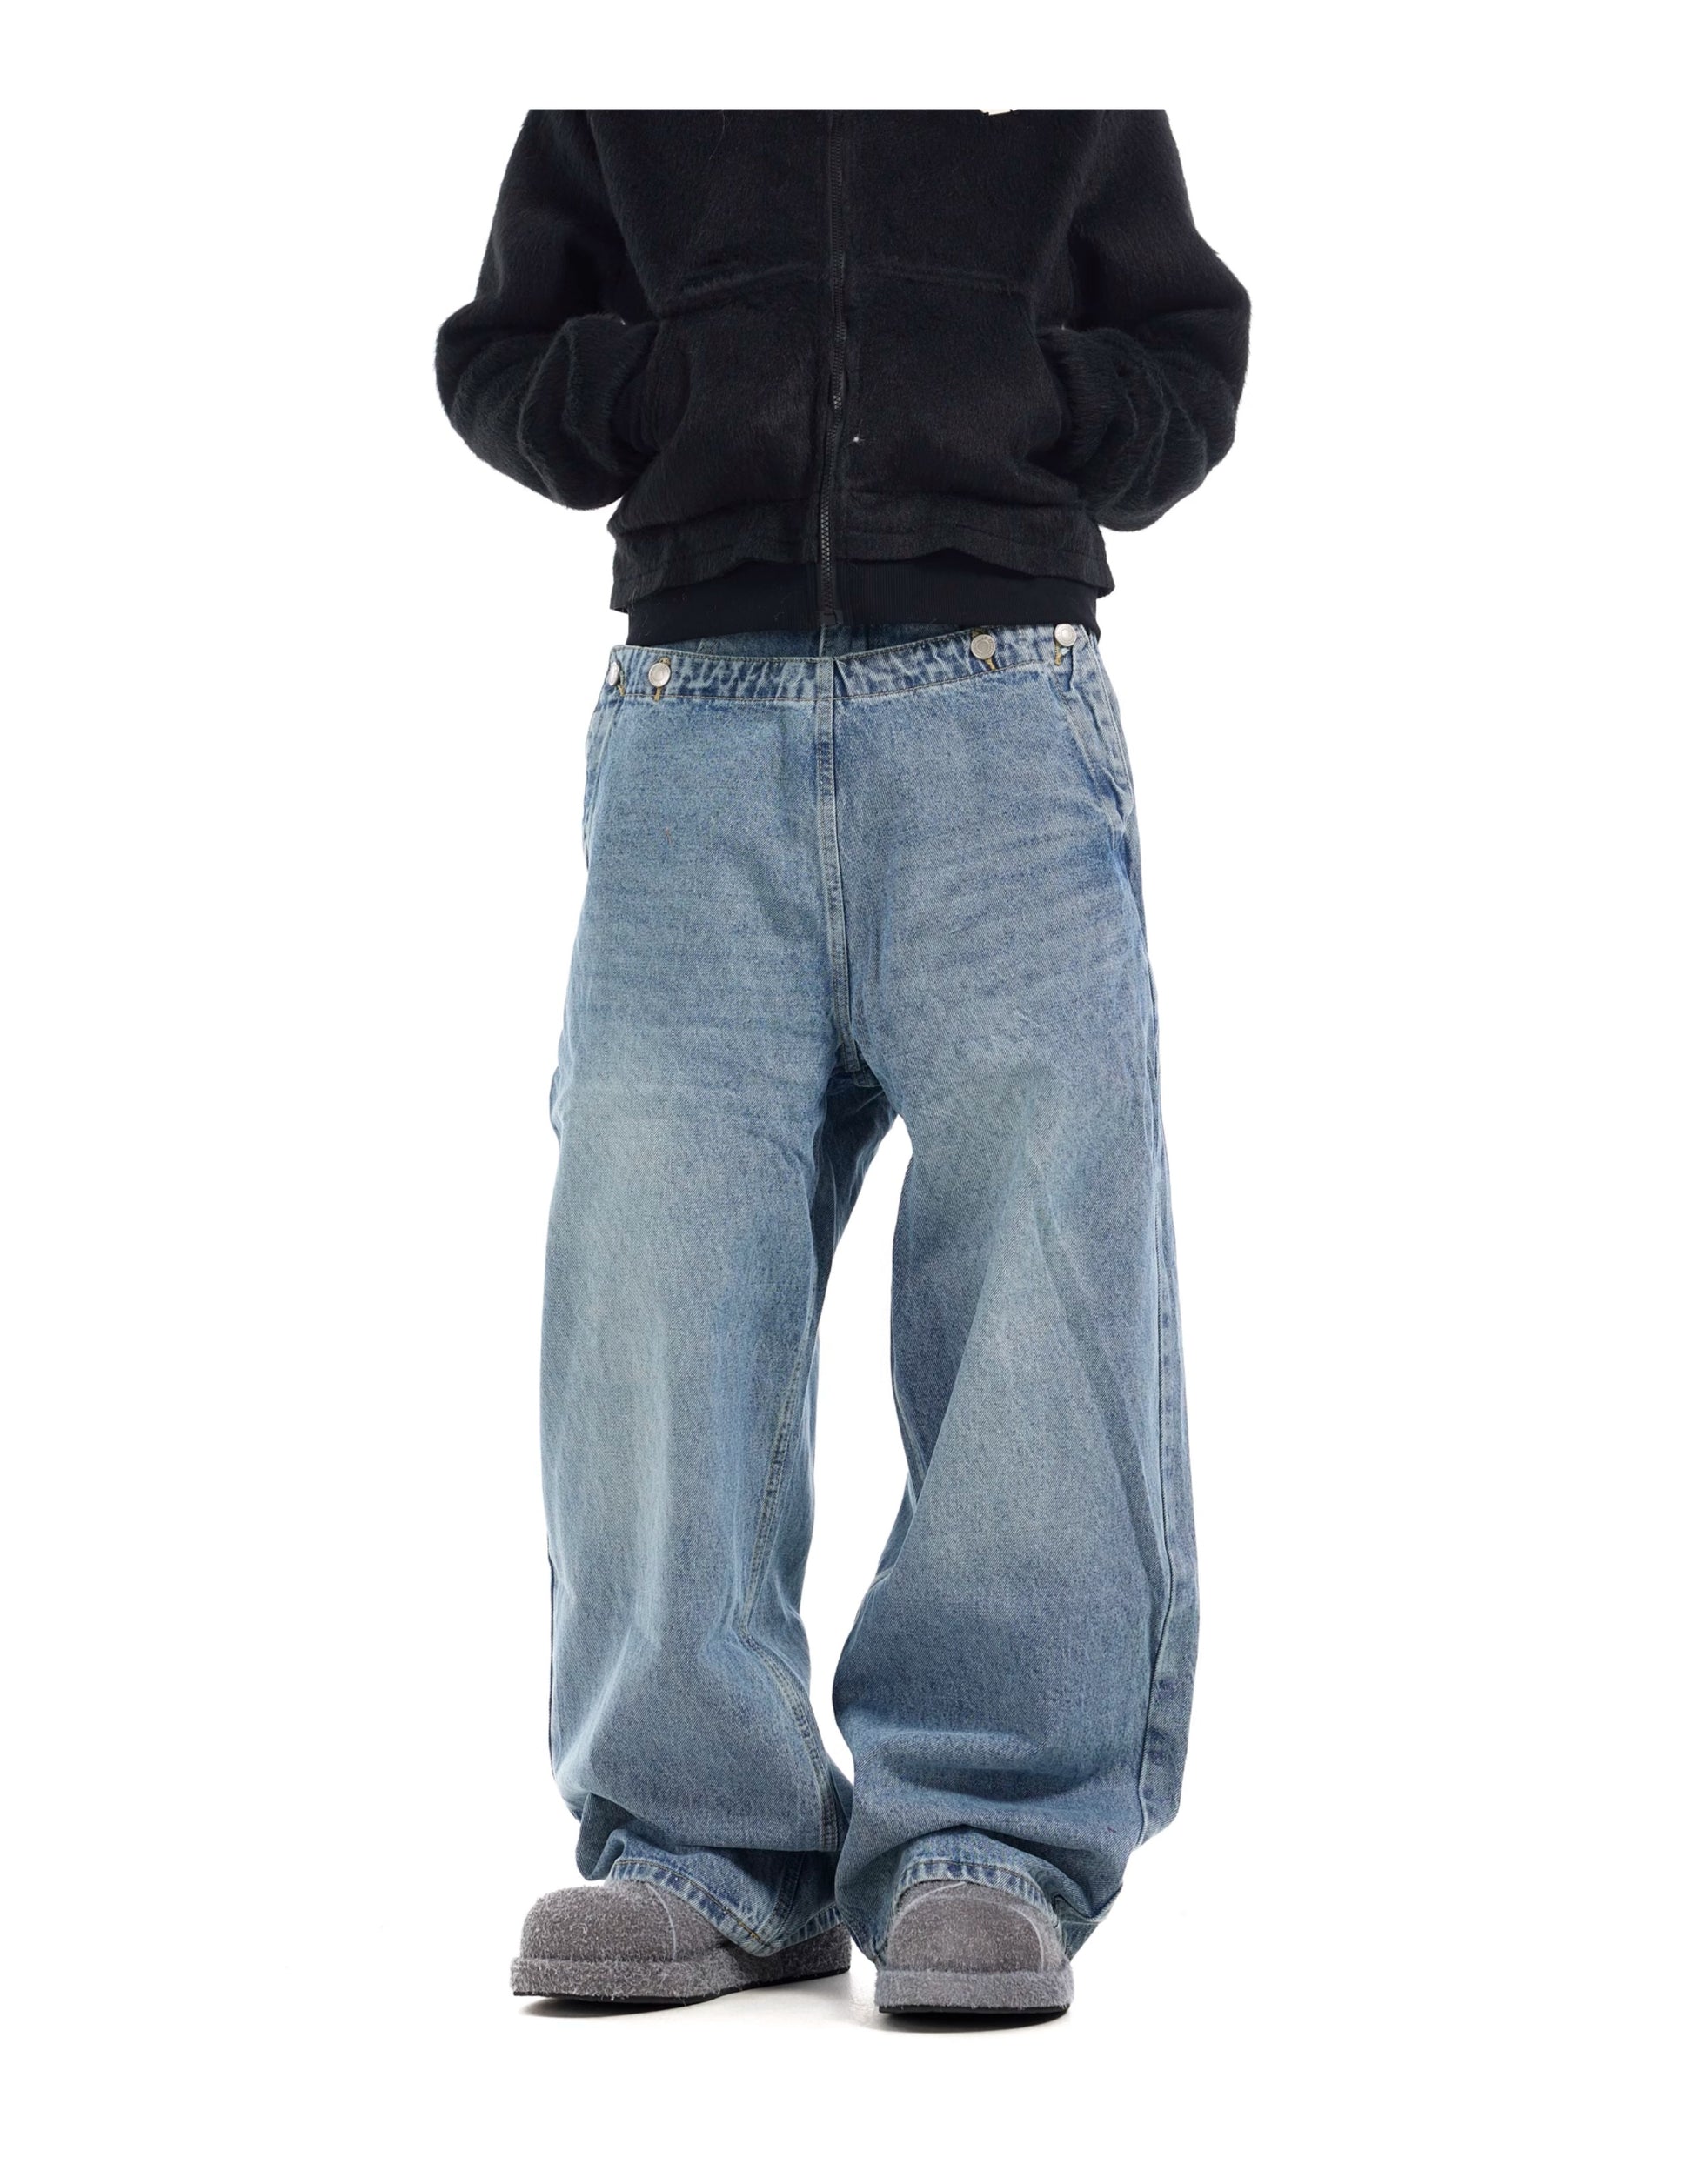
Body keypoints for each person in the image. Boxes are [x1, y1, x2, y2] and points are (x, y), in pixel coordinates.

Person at [436, 108, 1248, 2019]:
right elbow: (499, 353)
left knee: (1043, 1269)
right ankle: (697, 1839)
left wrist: (1013, 399)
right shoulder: (626, 82)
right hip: (690, 717)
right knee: (653, 1266)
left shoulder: (1058, 76)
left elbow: (1186, 359)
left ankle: (989, 1833)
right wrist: (671, 392)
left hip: (999, 707)